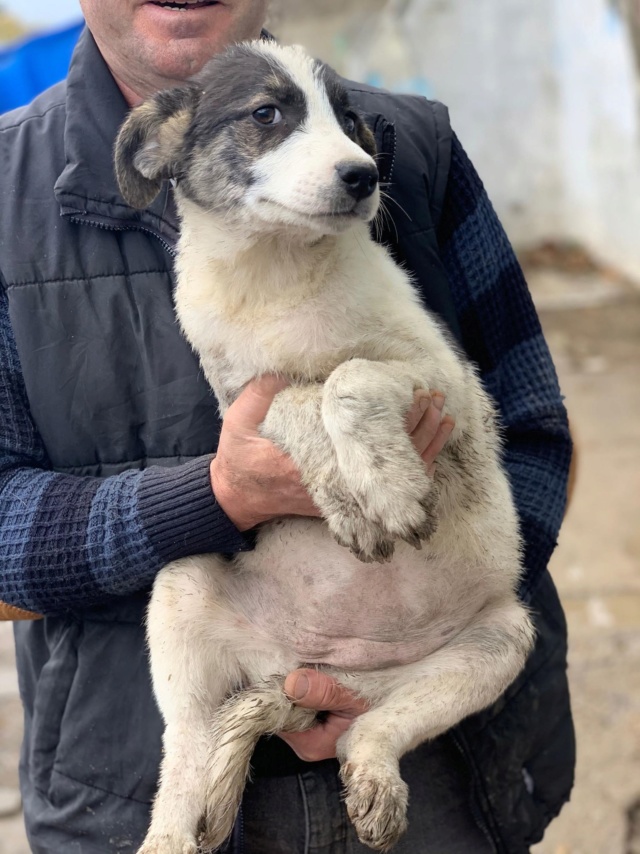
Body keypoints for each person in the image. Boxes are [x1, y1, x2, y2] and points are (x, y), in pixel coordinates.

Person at [0, 1, 574, 852]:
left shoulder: (403, 146)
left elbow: (531, 429)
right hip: (120, 784)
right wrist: (214, 498)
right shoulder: (7, 191)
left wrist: (414, 648)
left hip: (444, 770)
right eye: (268, 119)